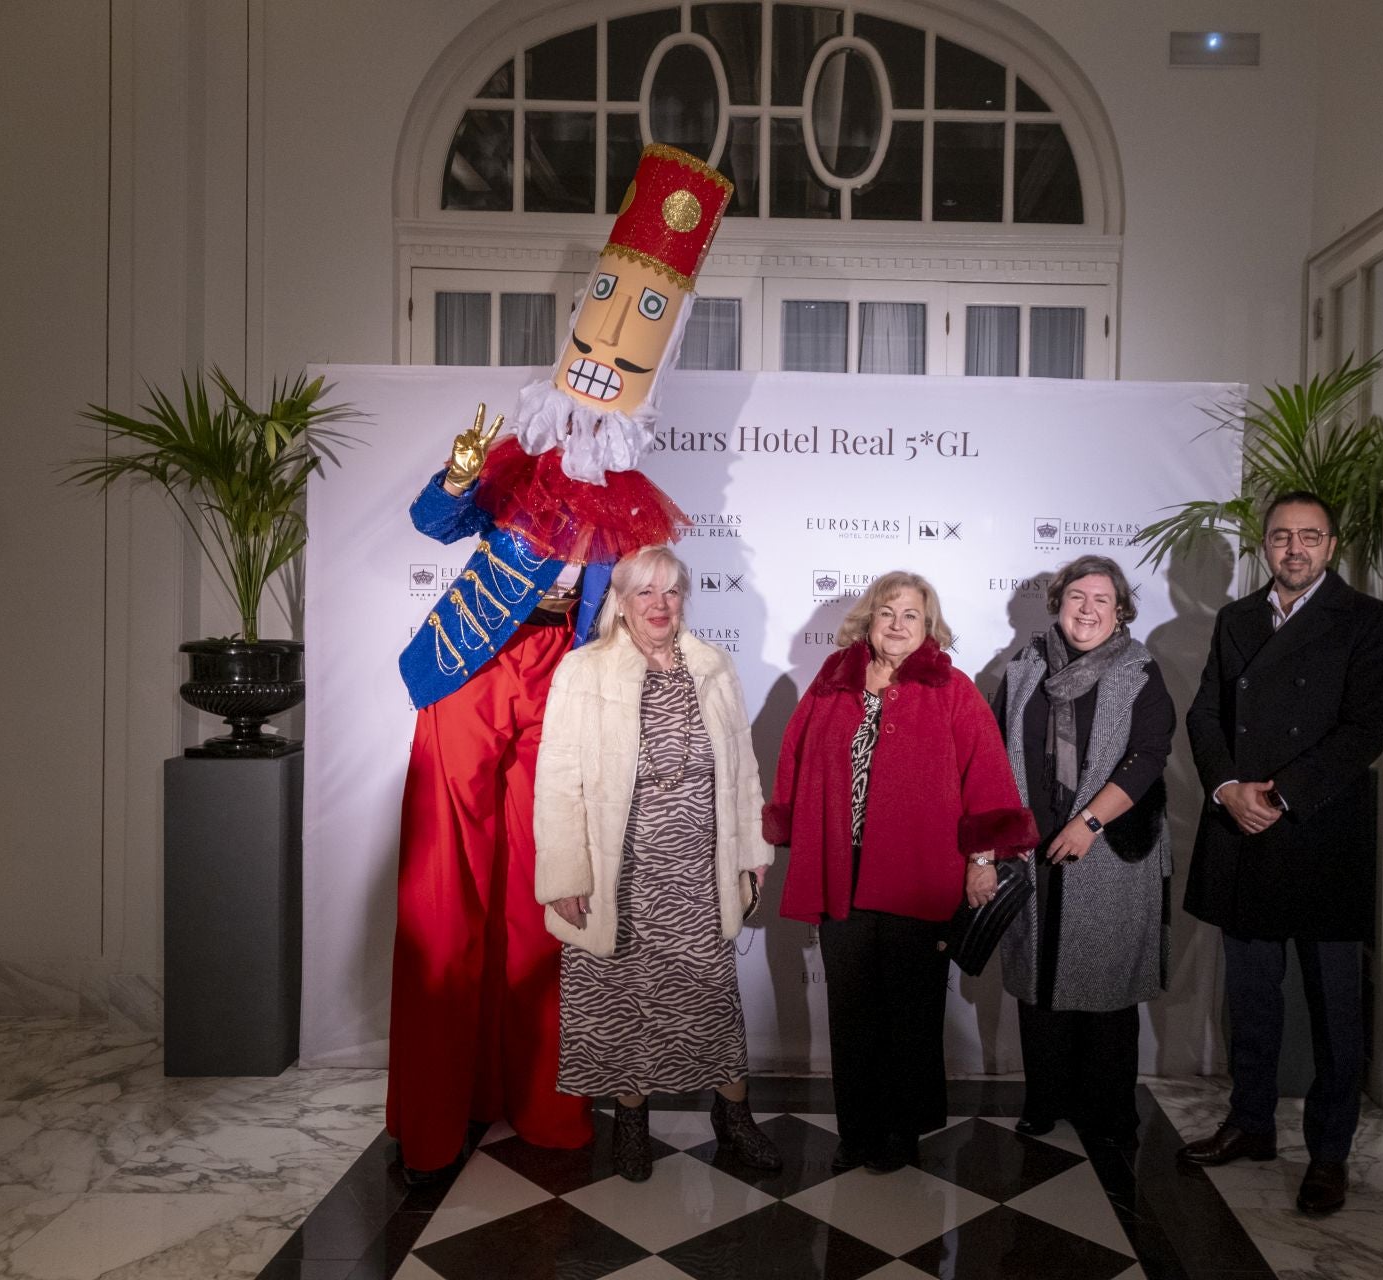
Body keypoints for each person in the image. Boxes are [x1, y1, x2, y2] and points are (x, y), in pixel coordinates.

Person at [386, 145, 733, 1177]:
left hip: (565, 692)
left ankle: (544, 1105)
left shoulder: (633, 497)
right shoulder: (516, 450)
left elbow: (644, 614)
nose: (602, 357)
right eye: (600, 321)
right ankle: (436, 1120)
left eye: (632, 346)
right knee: (443, 902)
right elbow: (431, 518)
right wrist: (457, 471)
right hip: (462, 676)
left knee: (551, 901)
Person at [766, 571, 1037, 1173]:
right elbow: (794, 756)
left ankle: (902, 1131)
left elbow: (988, 777)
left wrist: (984, 858)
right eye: (886, 612)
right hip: (844, 876)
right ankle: (857, 1130)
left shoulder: (953, 689)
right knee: (851, 1011)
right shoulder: (832, 682)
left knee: (912, 1012)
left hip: (920, 877)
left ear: (928, 627)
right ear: (868, 619)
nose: (896, 624)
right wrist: (787, 827)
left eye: (910, 615)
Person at [1176, 490, 1383, 1216]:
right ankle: (1250, 1123)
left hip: (1320, 832)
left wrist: (1282, 794)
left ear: (1332, 546)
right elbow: (1205, 711)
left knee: (1336, 1007)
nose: (1294, 549)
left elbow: (1365, 730)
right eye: (1280, 537)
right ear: (1263, 546)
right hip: (1243, 830)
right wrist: (1227, 788)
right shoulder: (1237, 619)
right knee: (1251, 996)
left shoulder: (1368, 620)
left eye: (1310, 536)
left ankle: (1330, 1155)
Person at [532, 546, 782, 1183]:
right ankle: (631, 1123)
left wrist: (753, 855)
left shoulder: (714, 666)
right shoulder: (583, 670)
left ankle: (733, 1118)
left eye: (671, 592)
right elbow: (557, 781)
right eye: (645, 593)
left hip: (699, 867)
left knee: (710, 996)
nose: (660, 606)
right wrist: (564, 876)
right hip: (620, 871)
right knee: (622, 999)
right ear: (621, 600)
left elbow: (745, 769)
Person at [995, 556, 1176, 1146]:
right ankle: (1044, 1099)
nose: (1088, 609)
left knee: (1105, 977)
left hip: (1110, 843)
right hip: (1035, 847)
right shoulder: (1024, 666)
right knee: (1040, 974)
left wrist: (1089, 822)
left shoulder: (1139, 668)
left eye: (1102, 599)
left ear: (1120, 609)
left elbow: (1150, 755)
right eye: (1077, 596)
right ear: (1058, 603)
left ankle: (1107, 1105)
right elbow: (997, 753)